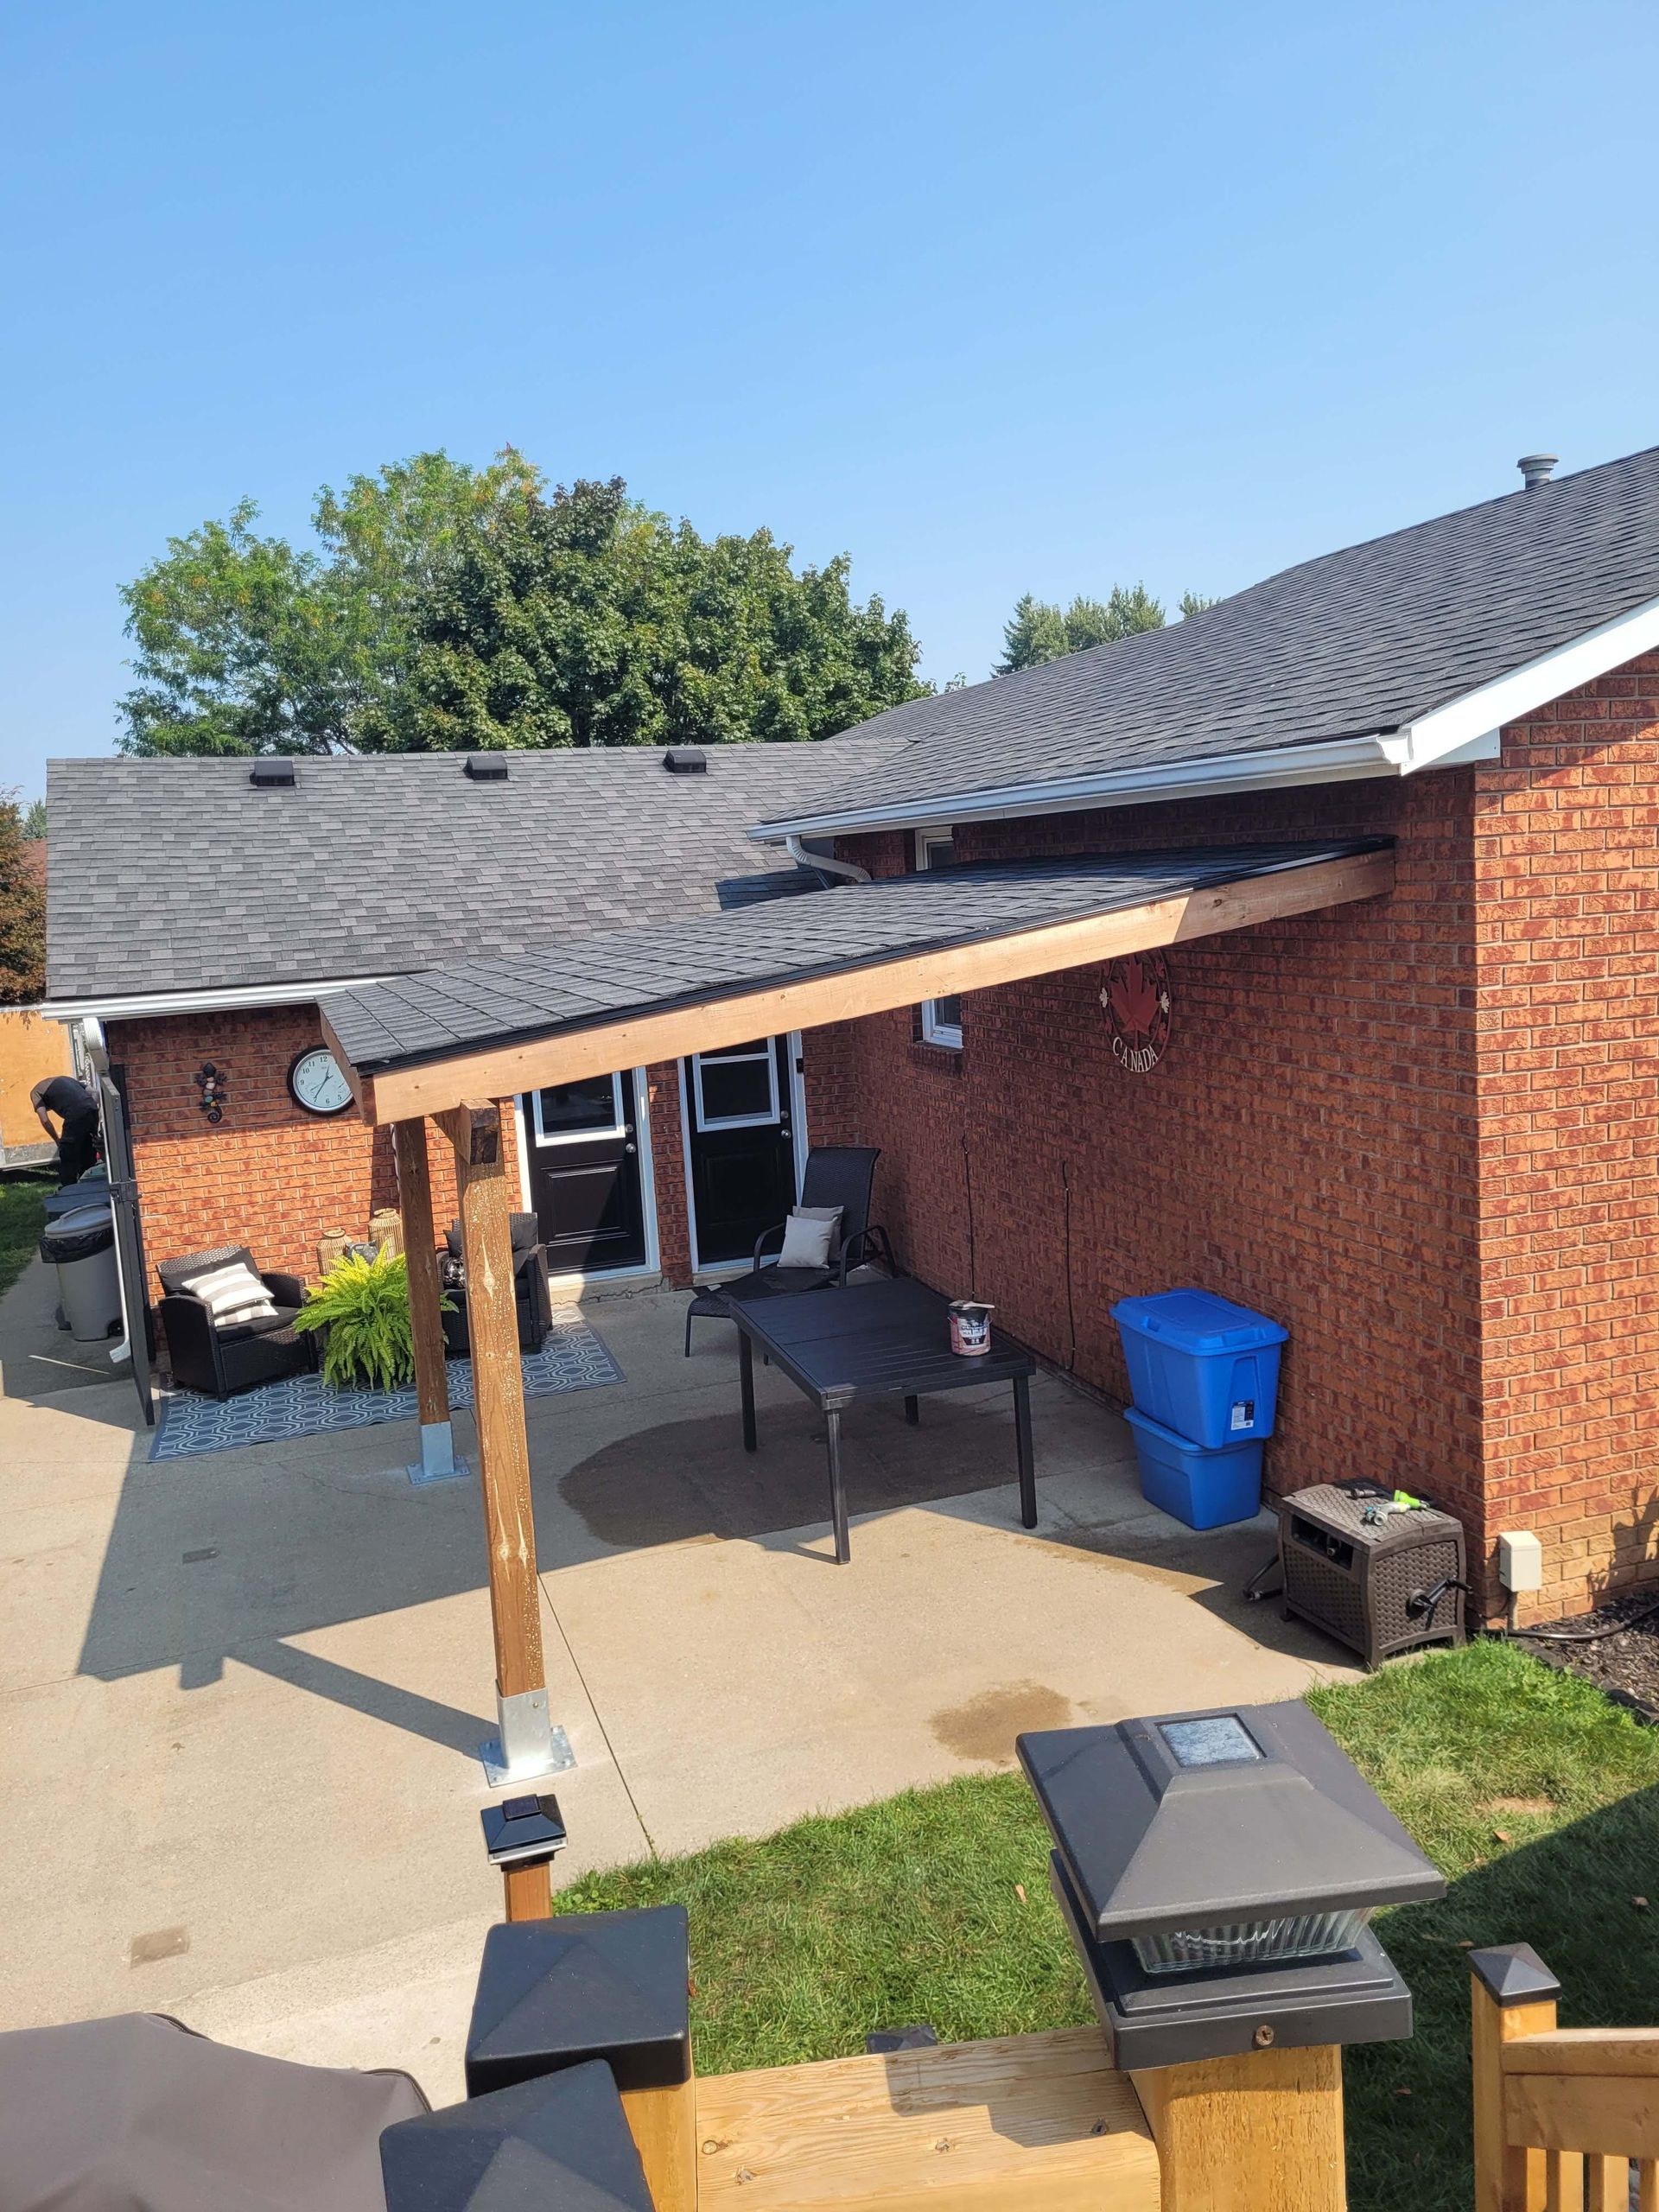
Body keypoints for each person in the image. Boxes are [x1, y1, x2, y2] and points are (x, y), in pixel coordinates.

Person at [31, 1074, 101, 1186]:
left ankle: (69, 1189)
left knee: (68, 1154)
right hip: (92, 1110)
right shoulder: (68, 1080)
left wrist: (57, 1140)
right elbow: (95, 1093)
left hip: (75, 1114)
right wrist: (90, 1107)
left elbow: (45, 1121)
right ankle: (89, 1187)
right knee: (88, 1152)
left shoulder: (35, 1093)